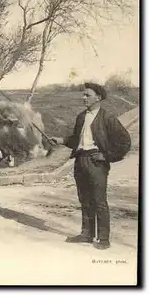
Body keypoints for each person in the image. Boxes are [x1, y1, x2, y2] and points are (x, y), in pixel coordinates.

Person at [51, 82, 131, 250]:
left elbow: (125, 142)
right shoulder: (81, 116)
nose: (84, 97)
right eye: (84, 94)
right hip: (80, 160)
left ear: (98, 98)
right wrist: (61, 140)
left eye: (87, 95)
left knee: (99, 201)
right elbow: (76, 140)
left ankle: (103, 239)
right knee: (84, 199)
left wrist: (107, 156)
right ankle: (86, 234)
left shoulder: (107, 118)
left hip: (97, 163)